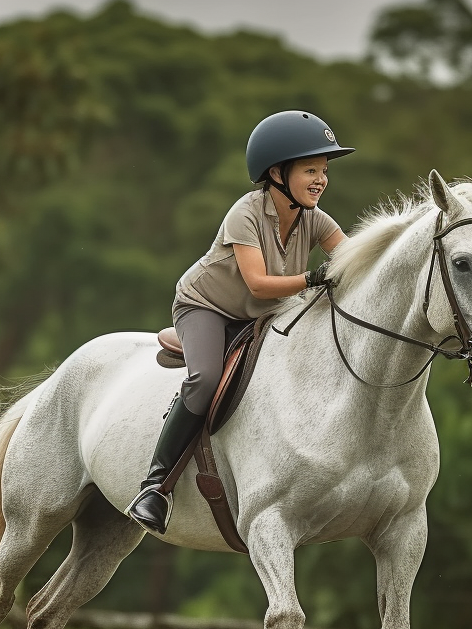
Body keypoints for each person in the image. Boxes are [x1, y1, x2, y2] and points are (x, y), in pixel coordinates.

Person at [126, 110, 354, 535]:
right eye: (310, 169)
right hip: (207, 308)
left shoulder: (316, 219)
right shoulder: (245, 213)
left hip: (262, 315)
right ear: (277, 173)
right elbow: (258, 284)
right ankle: (154, 487)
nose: (321, 179)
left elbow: (355, 259)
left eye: (324, 170)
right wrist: (313, 277)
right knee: (207, 377)